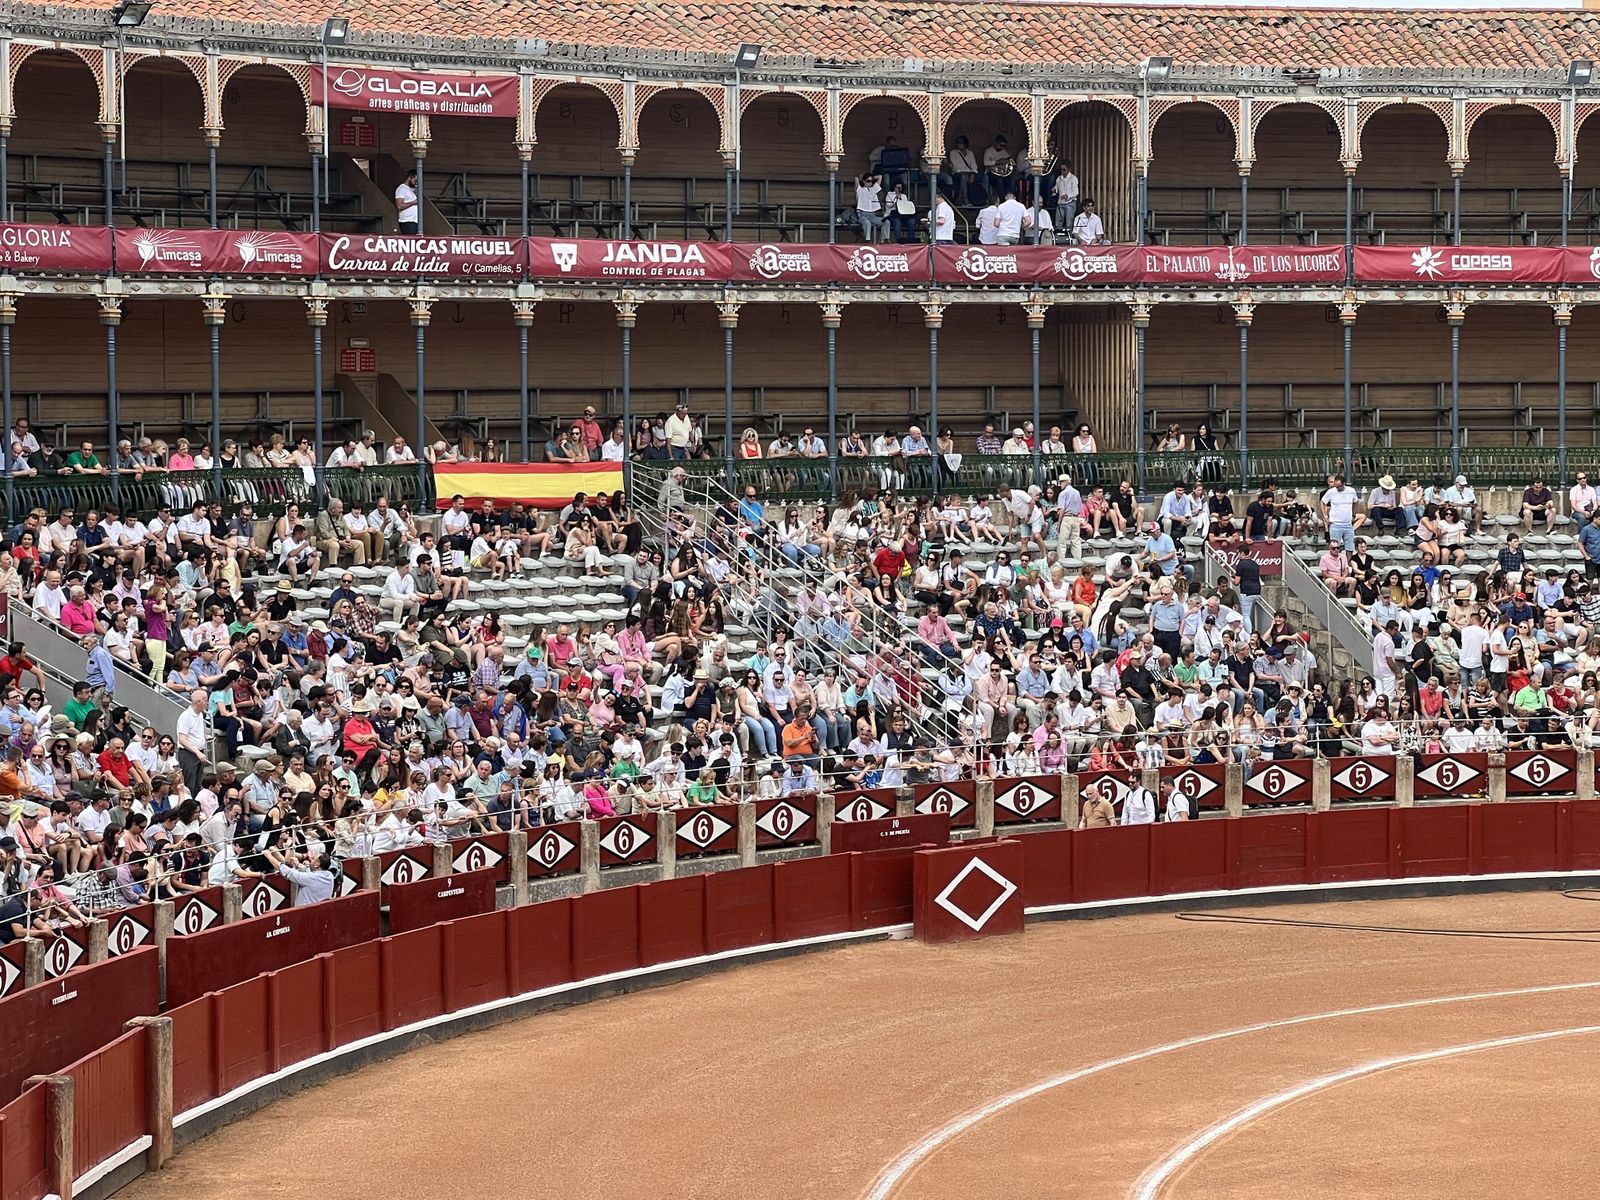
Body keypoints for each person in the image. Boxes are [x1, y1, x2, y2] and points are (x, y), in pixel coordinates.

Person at [854, 172, 883, 244]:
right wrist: (862, 178)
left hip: (873, 214)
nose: (870, 183)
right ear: (864, 181)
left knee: (886, 221)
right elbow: (856, 178)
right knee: (867, 223)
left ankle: (884, 239)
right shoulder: (860, 189)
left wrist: (872, 178)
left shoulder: (874, 189)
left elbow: (880, 176)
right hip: (863, 214)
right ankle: (868, 241)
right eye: (868, 181)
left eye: (871, 181)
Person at [396, 169, 420, 235]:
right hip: (407, 221)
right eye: (415, 180)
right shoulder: (401, 189)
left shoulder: (410, 189)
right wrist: (413, 202)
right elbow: (399, 206)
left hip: (414, 220)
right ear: (410, 177)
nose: (415, 182)